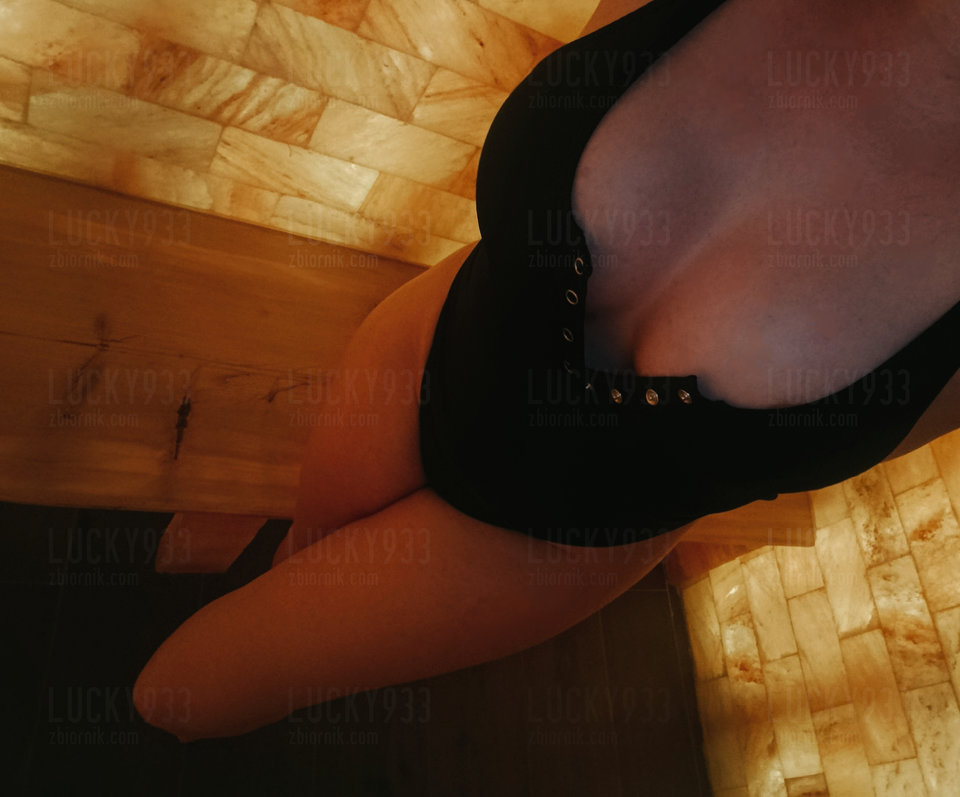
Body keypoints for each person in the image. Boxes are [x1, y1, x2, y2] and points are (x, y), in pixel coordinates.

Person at [133, 0, 960, 741]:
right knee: (305, 546)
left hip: (546, 533)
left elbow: (815, 441)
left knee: (177, 695)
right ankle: (263, 541)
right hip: (434, 342)